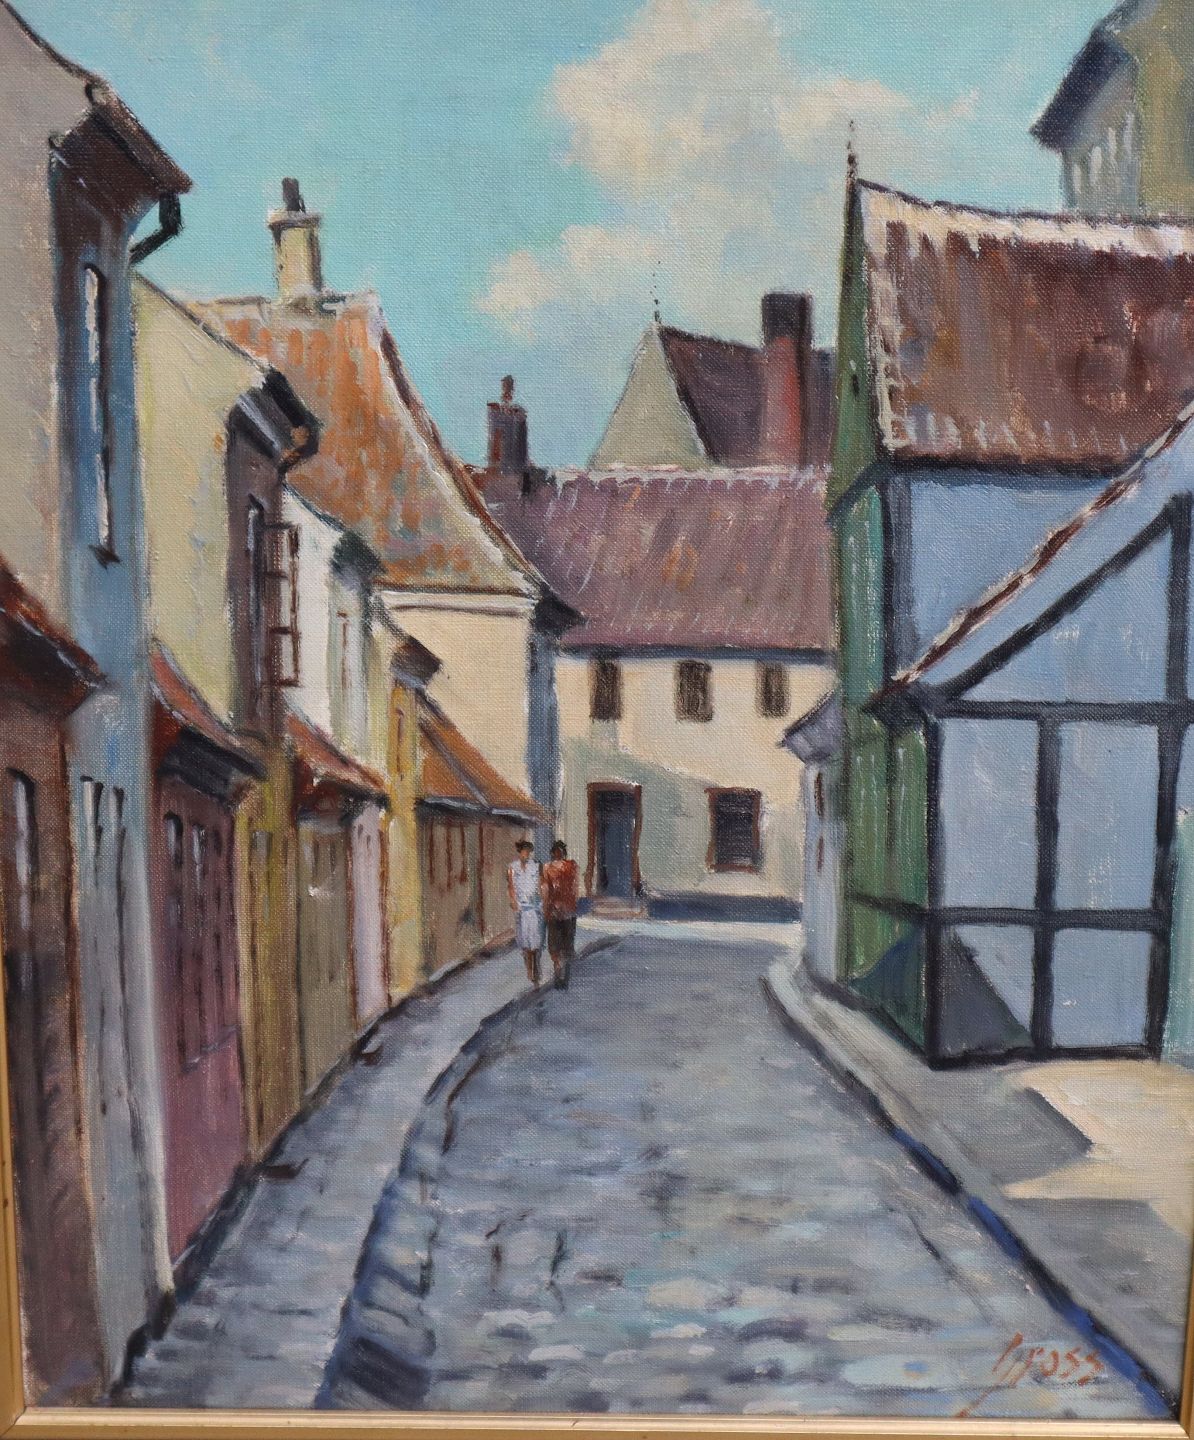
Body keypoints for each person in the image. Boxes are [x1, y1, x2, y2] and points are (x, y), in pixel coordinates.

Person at [541, 839, 580, 989]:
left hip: (557, 911)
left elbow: (546, 891)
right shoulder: (571, 865)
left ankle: (559, 972)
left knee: (556, 946)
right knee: (565, 945)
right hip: (566, 911)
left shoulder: (548, 868)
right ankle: (563, 972)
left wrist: (546, 909)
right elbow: (574, 888)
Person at [507, 838, 544, 986]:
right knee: (524, 941)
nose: (526, 854)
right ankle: (529, 968)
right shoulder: (513, 867)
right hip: (521, 908)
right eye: (524, 851)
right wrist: (513, 901)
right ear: (520, 852)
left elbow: (540, 885)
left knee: (534, 940)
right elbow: (511, 886)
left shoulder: (535, 866)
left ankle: (536, 968)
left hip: (534, 907)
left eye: (528, 852)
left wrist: (542, 899)